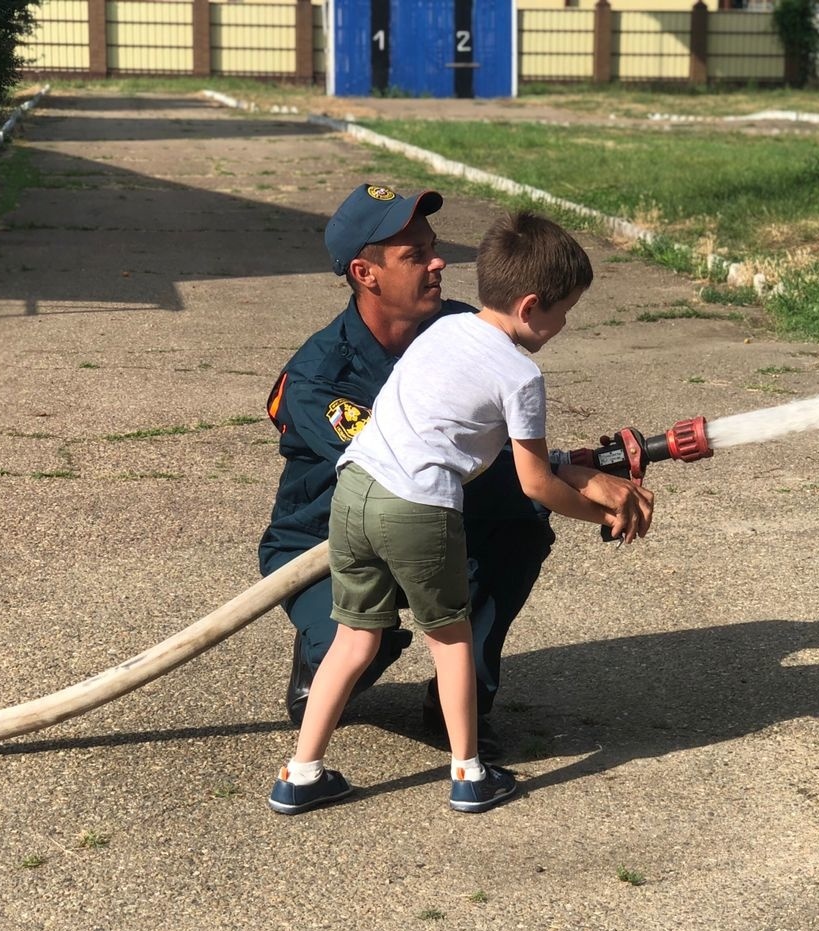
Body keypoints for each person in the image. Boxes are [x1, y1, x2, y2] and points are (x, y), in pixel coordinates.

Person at [258, 183, 651, 758]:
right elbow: (413, 464)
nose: (439, 261)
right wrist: (570, 476)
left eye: (433, 246)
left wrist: (568, 471)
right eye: (416, 255)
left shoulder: (460, 327)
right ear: (366, 274)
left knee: (522, 520)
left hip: (433, 518)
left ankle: (460, 703)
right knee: (362, 650)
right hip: (331, 540)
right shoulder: (321, 377)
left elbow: (489, 449)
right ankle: (318, 664)